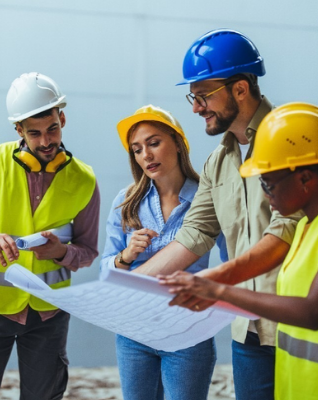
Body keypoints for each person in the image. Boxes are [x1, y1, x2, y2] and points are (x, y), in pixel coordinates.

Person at [131, 29, 318, 400]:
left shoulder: (293, 138)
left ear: (240, 89)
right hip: (249, 331)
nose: (196, 108)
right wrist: (130, 287)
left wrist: (213, 282)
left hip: (300, 323)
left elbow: (285, 232)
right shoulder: (218, 162)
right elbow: (194, 234)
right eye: (192, 97)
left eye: (203, 96)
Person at [160, 103, 318, 399]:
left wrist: (218, 290)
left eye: (268, 185)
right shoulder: (306, 228)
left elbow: (312, 312)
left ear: (304, 178)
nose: (267, 198)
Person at [0, 72, 102, 400]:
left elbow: (87, 250)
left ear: (62, 118)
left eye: (52, 129)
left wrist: (60, 252)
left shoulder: (84, 180)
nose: (46, 141)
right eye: (34, 133)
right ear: (19, 131)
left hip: (49, 312)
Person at [101, 105, 220, 400]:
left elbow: (235, 260)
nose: (146, 155)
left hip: (187, 332)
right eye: (137, 149)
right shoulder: (126, 201)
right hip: (133, 334)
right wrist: (126, 256)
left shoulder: (207, 199)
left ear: (178, 144)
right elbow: (105, 273)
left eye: (154, 143)